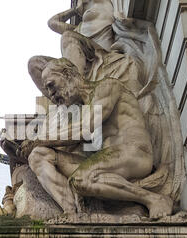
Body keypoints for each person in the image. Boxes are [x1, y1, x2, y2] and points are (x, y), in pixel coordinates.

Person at [21, 57, 174, 219]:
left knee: (81, 179)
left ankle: (154, 199)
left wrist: (40, 139)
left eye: (51, 85)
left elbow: (85, 128)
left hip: (134, 153)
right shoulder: (79, 111)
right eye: (47, 90)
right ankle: (71, 212)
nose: (51, 94)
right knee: (38, 155)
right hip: (105, 161)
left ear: (68, 74)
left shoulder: (107, 87)